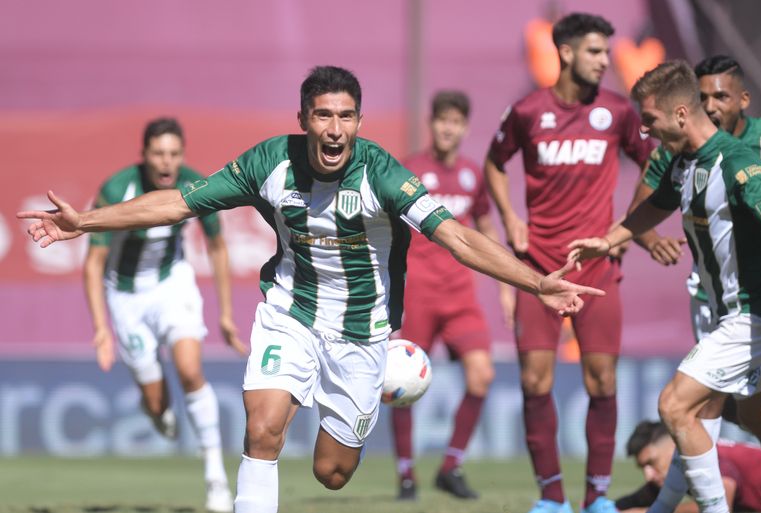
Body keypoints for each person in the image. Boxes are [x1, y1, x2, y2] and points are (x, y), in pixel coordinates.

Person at [19, 65, 604, 513]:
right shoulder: (270, 162)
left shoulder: (383, 174)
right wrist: (86, 221)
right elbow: (177, 203)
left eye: (346, 116)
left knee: (332, 472)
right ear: (304, 119)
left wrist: (536, 284)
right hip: (289, 311)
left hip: (361, 332)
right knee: (263, 427)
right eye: (323, 115)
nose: (334, 128)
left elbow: (458, 238)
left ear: (359, 122)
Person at [568, 60, 761, 513]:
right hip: (731, 315)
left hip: (753, 315)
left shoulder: (738, 163)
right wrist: (608, 240)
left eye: (651, 119)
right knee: (760, 418)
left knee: (675, 405)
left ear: (680, 115)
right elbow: (652, 209)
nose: (644, 130)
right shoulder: (683, 163)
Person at [484, 13, 653, 513]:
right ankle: (552, 498)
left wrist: (626, 228)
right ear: (566, 53)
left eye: (606, 51)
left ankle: (597, 498)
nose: (606, 61)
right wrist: (511, 217)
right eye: (596, 52)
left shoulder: (619, 111)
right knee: (535, 382)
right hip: (539, 271)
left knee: (601, 382)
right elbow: (496, 163)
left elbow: (654, 164)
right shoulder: (527, 111)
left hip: (598, 271)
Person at [82, 117, 246, 513]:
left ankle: (216, 480)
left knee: (190, 370)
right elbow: (94, 262)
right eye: (158, 153)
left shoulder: (195, 185)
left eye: (174, 153)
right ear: (144, 155)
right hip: (125, 297)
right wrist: (101, 327)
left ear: (182, 155)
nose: (166, 162)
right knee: (157, 405)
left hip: (173, 284)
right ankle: (155, 407)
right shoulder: (118, 188)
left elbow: (218, 247)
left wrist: (225, 314)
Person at [391, 90, 514, 500]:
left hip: (460, 295)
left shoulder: (471, 175)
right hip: (418, 295)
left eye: (456, 121)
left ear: (464, 127)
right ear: (432, 123)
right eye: (442, 119)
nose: (448, 127)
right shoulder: (409, 170)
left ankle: (451, 467)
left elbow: (485, 230)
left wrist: (505, 287)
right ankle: (406, 474)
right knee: (401, 385)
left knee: (482, 376)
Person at [616, 421, 761, 513]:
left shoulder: (706, 459)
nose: (648, 475)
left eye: (651, 462)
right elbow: (637, 499)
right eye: (643, 467)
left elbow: (719, 507)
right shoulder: (673, 470)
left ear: (672, 446)